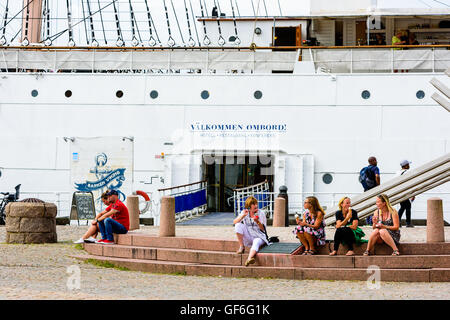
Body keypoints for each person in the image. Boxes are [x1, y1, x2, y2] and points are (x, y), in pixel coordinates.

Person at [233, 196, 269, 267]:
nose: (256, 206)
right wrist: (242, 216)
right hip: (249, 236)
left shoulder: (261, 213)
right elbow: (234, 222)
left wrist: (257, 221)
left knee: (256, 242)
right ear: (249, 207)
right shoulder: (245, 212)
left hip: (260, 236)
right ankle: (241, 247)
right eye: (253, 205)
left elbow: (263, 229)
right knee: (238, 225)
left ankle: (249, 258)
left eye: (256, 204)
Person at [394, 160, 415, 227]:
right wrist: (412, 193)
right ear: (405, 165)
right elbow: (409, 183)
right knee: (408, 206)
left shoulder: (397, 173)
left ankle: (398, 221)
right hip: (404, 193)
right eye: (408, 164)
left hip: (399, 192)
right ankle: (408, 223)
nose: (409, 166)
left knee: (403, 207)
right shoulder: (407, 172)